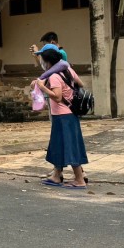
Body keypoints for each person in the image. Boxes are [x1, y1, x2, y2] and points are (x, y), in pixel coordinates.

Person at [34, 48, 88, 189]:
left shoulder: (54, 77)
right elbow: (80, 84)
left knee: (70, 146)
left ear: (48, 62)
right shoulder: (68, 70)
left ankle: (79, 180)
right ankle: (56, 176)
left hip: (63, 115)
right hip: (70, 114)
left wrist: (43, 88)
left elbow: (57, 97)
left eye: (43, 61)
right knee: (59, 145)